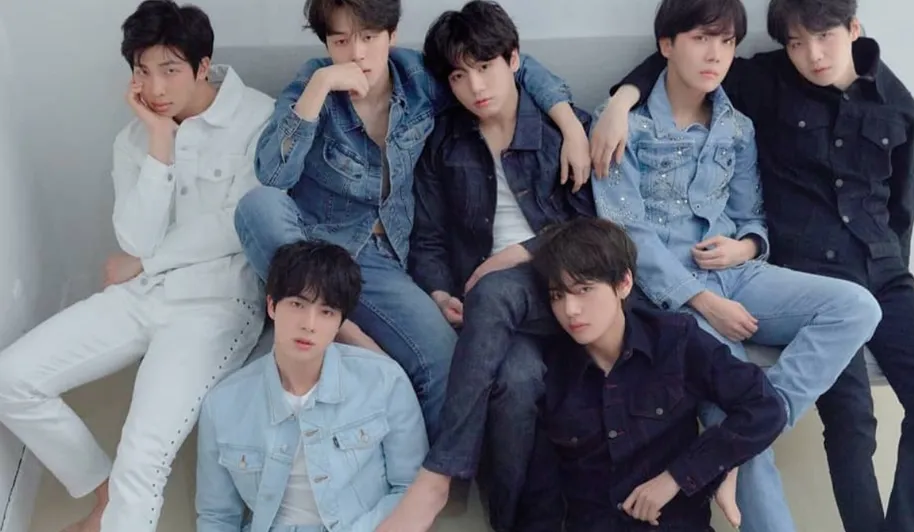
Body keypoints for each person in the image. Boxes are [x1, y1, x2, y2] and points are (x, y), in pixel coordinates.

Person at [596, 0, 914, 530]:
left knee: (892, 349)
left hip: (838, 271)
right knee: (836, 416)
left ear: (854, 28)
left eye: (825, 37)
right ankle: (747, 428)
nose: (813, 54)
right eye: (797, 43)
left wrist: (748, 246)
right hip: (737, 279)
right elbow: (626, 232)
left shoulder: (888, 102)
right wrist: (620, 100)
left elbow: (899, 204)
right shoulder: (754, 84)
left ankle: (750, 425)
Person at [233, 0, 591, 443]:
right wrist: (319, 87)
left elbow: (510, 65)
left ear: (391, 35)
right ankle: (340, 327)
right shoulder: (313, 83)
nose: (356, 54)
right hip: (311, 240)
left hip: (380, 258)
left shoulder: (420, 80)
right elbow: (273, 174)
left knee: (443, 361)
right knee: (258, 205)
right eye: (340, 41)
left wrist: (570, 125)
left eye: (368, 38)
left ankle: (438, 473)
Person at [0, 1, 273, 531]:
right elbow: (134, 236)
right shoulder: (134, 139)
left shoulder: (258, 119)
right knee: (12, 379)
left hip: (216, 306)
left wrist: (145, 261)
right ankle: (104, 494)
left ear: (202, 66)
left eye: (169, 70)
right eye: (142, 71)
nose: (155, 87)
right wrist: (159, 142)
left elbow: (241, 223)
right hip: (143, 296)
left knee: (143, 454)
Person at [380, 2, 595, 530]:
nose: (475, 86)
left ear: (514, 60)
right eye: (459, 75)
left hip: (564, 291)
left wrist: (524, 252)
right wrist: (437, 293)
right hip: (490, 315)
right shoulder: (444, 141)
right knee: (516, 381)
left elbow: (598, 230)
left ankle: (440, 472)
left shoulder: (564, 132)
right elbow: (428, 239)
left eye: (485, 66)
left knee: (497, 288)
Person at [516, 217, 786, 531]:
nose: (570, 310)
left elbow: (765, 407)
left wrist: (677, 476)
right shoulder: (553, 374)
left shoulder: (673, 340)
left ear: (623, 283)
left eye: (584, 289)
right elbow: (542, 499)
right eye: (557, 295)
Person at [196, 241, 427, 532]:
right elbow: (217, 516)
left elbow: (412, 490)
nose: (309, 324)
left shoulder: (384, 381)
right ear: (272, 306)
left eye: (327, 312)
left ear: (340, 321)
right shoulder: (223, 405)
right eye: (297, 305)